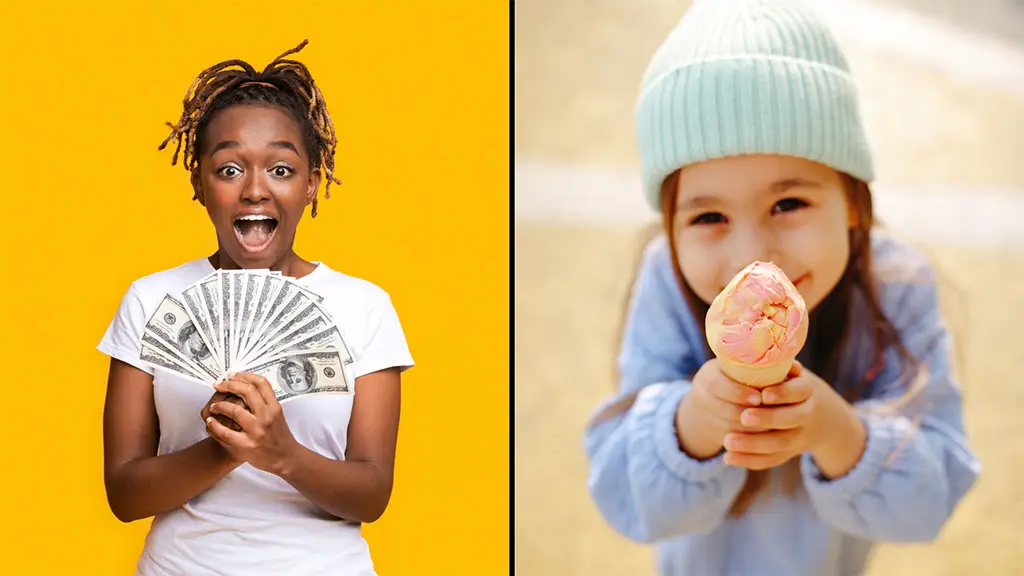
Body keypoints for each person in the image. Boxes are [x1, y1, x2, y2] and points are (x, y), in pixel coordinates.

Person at [583, 2, 981, 575]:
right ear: (671, 226)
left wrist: (834, 429)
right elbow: (622, 498)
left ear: (853, 203)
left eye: (789, 203)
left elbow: (932, 503)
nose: (751, 258)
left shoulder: (897, 285)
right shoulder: (666, 282)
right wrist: (694, 421)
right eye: (708, 217)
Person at [97, 40, 413, 576]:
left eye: (282, 170)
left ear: (312, 184)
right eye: (229, 169)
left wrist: (279, 451)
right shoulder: (150, 300)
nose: (255, 190)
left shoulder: (365, 307)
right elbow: (125, 495)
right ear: (200, 182)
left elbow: (372, 494)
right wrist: (224, 449)